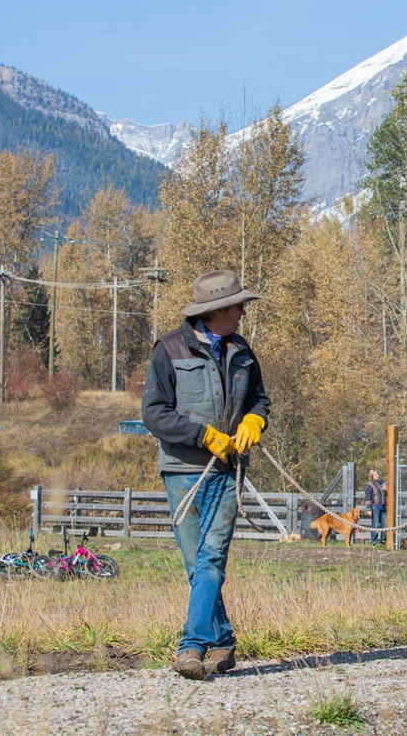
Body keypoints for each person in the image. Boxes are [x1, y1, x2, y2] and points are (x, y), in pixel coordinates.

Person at [142, 269, 270, 680]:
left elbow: (260, 400)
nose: (243, 314)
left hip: (228, 471)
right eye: (239, 307)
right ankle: (223, 640)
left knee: (211, 556)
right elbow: (154, 414)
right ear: (217, 310)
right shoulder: (167, 350)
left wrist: (254, 420)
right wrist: (203, 436)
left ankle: (191, 647)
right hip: (183, 472)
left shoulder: (243, 352)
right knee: (197, 566)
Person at [365, 470, 387, 545]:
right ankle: (374, 541)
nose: (377, 476)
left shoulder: (382, 483)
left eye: (377, 474)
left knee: (385, 524)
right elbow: (368, 497)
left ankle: (383, 540)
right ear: (372, 476)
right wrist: (368, 509)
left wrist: (386, 490)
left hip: (383, 506)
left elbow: (386, 494)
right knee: (375, 524)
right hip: (375, 506)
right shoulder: (370, 485)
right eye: (375, 475)